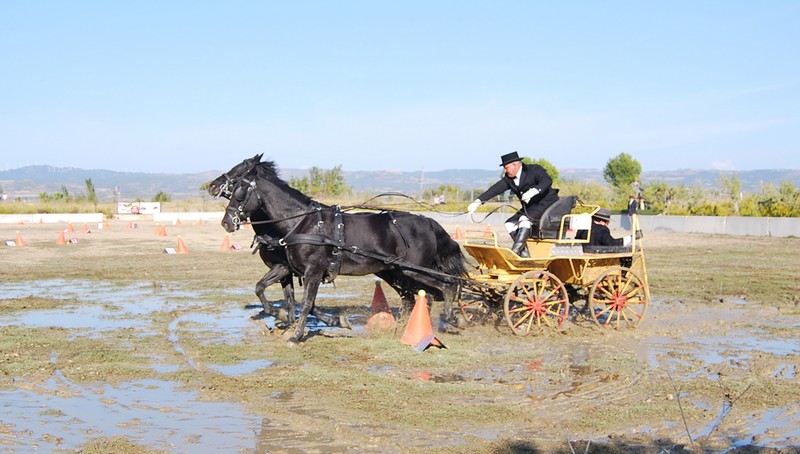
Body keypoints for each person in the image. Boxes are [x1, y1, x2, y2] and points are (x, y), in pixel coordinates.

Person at [467, 151, 558, 257]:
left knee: (524, 220)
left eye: (506, 168)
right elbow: (494, 189)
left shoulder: (534, 169)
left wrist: (534, 191)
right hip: (530, 208)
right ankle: (525, 254)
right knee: (510, 224)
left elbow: (547, 181)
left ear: (515, 165)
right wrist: (478, 202)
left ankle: (514, 252)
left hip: (547, 203)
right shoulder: (509, 179)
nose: (505, 170)